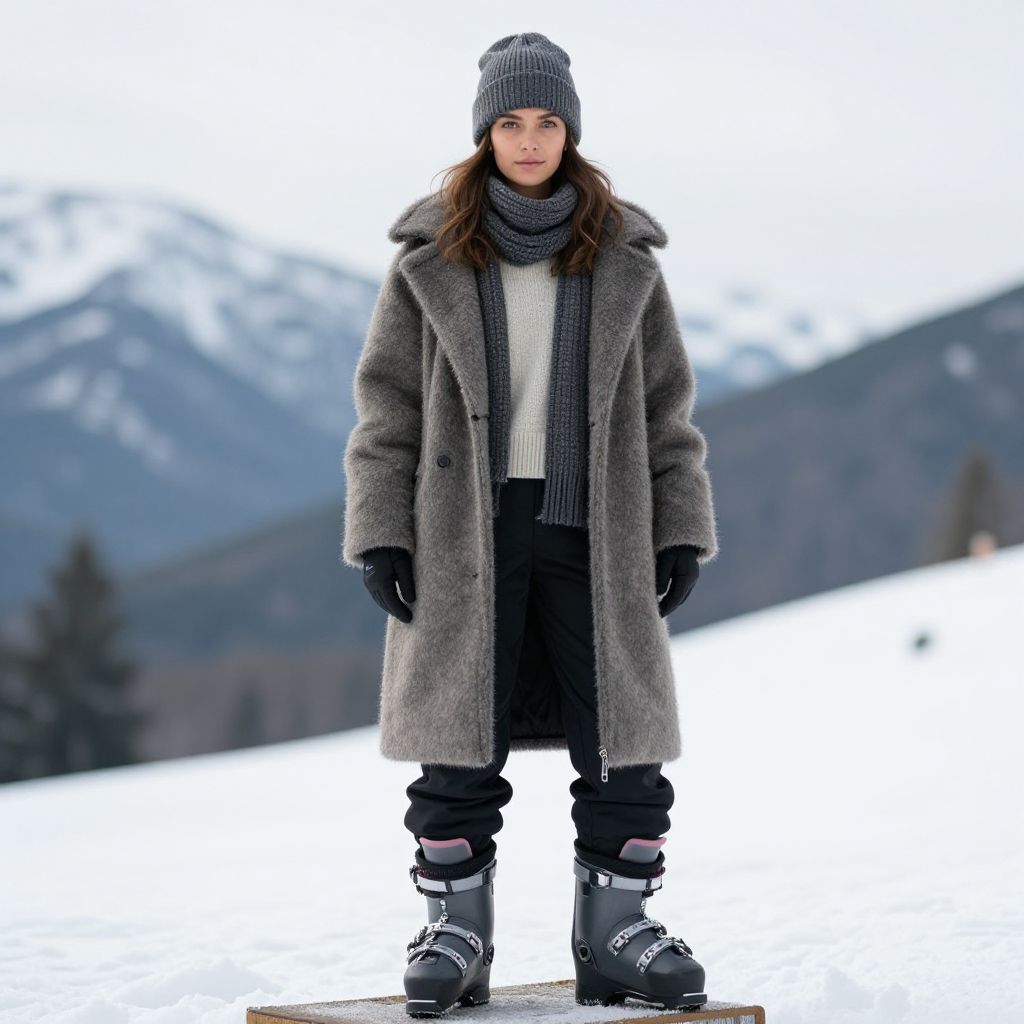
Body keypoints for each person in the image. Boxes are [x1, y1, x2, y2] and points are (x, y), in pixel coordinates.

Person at [341, 31, 719, 1017]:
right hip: (463, 527)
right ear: (483, 133)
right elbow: (387, 410)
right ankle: (454, 933)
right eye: (509, 122)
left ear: (570, 131)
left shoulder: (622, 256)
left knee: (625, 739)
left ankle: (619, 931)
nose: (527, 139)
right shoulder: (429, 257)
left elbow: (665, 410)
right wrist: (380, 530)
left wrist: (681, 526)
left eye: (545, 121)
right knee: (455, 740)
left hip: (596, 528)